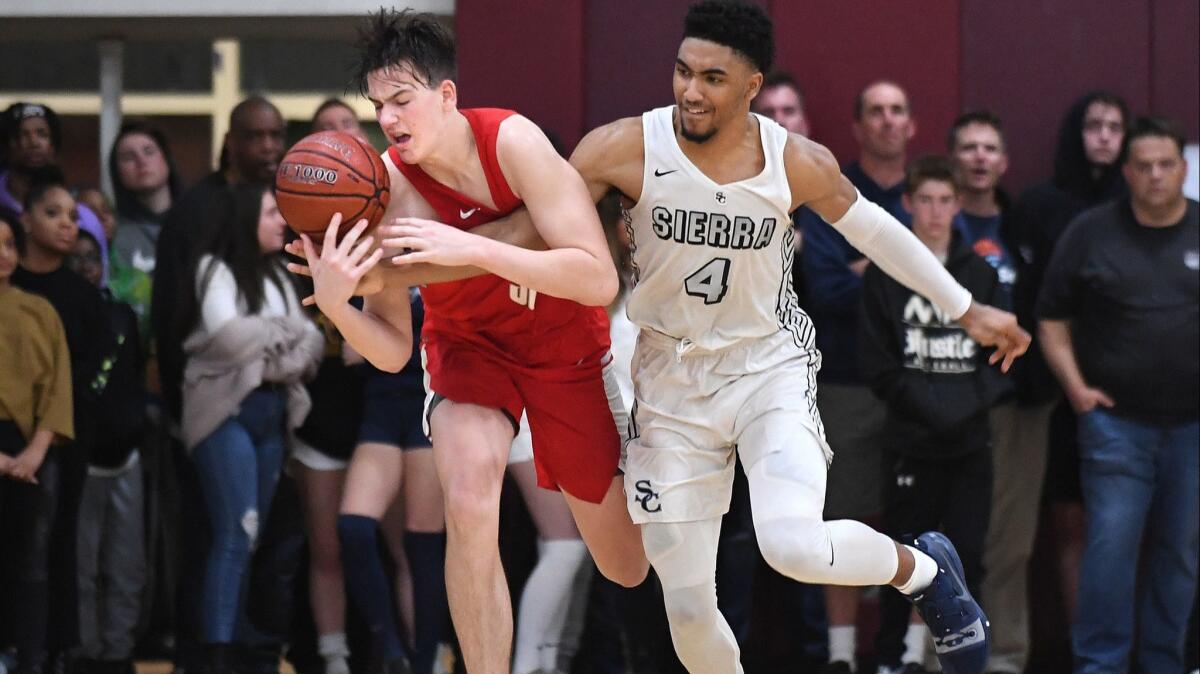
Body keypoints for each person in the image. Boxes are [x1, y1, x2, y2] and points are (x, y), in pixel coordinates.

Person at [374, 3, 1030, 673]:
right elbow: (532, 227)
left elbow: (877, 231)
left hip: (765, 370)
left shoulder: (793, 160)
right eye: (683, 71)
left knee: (791, 545)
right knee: (685, 605)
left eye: (713, 78)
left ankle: (922, 570)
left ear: (752, 86)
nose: (691, 90)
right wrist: (406, 261)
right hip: (669, 387)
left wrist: (965, 305)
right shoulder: (622, 146)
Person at [288, 10, 648, 673]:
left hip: (563, 345)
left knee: (625, 565)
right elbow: (394, 350)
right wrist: (339, 306)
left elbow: (597, 278)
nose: (390, 120)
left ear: (446, 95)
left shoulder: (513, 142)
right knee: (469, 495)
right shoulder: (386, 190)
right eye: (379, 107)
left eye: (403, 100)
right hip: (467, 350)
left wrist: (472, 248)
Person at [1037, 116, 1198, 674]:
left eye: (1166, 165)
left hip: (1193, 429)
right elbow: (1051, 320)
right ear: (1127, 172)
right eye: (1144, 166)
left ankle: (1163, 664)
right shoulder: (1091, 231)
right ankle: (1100, 666)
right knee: (1110, 550)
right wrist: (1077, 390)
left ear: (1183, 168)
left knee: (1179, 555)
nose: (1155, 176)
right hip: (1115, 426)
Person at [860, 156, 1009, 674]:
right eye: (925, 199)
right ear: (907, 204)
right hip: (909, 440)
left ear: (959, 205)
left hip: (970, 442)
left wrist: (960, 408)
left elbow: (1001, 361)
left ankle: (960, 662)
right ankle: (892, 660)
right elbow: (878, 365)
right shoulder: (886, 275)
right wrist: (932, 408)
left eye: (946, 200)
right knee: (901, 556)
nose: (936, 211)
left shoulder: (981, 276)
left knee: (969, 555)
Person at [176, 183, 322, 672]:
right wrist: (283, 337)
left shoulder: (280, 273)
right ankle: (216, 654)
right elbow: (226, 337)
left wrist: (270, 349)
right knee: (236, 532)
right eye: (270, 213)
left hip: (271, 413)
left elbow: (314, 344)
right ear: (243, 217)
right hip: (225, 416)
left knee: (252, 538)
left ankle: (239, 648)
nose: (281, 222)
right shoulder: (213, 269)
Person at [1010, 91, 1129, 640]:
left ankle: (1122, 648)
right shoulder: (1040, 205)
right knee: (1066, 522)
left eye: (1115, 126)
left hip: (1133, 389)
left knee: (1128, 525)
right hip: (1053, 392)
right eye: (1094, 125)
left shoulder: (1143, 205)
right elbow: (1028, 298)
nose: (1105, 135)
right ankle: (1087, 649)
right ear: (1075, 134)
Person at [12, 168, 112, 668]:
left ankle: (53, 649)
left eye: (74, 217)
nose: (67, 225)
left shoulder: (83, 295)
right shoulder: (12, 288)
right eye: (53, 214)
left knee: (56, 541)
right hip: (11, 433)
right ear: (25, 221)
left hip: (65, 437)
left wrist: (57, 421)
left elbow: (97, 368)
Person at [66, 228, 147, 674]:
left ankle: (118, 651)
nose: (84, 266)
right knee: (81, 565)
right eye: (74, 259)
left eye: (91, 257)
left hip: (126, 455)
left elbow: (133, 376)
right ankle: (84, 650)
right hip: (81, 459)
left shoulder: (122, 315)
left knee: (126, 564)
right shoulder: (60, 313)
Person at [0, 211, 74, 674]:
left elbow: (58, 387)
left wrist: (35, 451)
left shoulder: (39, 310)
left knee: (30, 562)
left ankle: (30, 660)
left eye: (8, 243)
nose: (2, 254)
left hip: (29, 450)